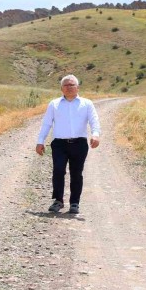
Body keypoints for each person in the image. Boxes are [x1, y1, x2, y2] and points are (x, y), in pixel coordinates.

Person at [35, 74, 100, 214]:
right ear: (61, 88)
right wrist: (40, 141)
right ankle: (58, 201)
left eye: (72, 85)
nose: (69, 87)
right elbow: (46, 124)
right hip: (59, 144)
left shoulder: (87, 104)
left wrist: (95, 135)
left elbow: (94, 121)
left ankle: (74, 203)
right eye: (66, 85)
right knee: (58, 171)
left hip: (79, 144)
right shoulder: (54, 104)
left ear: (77, 87)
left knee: (76, 173)